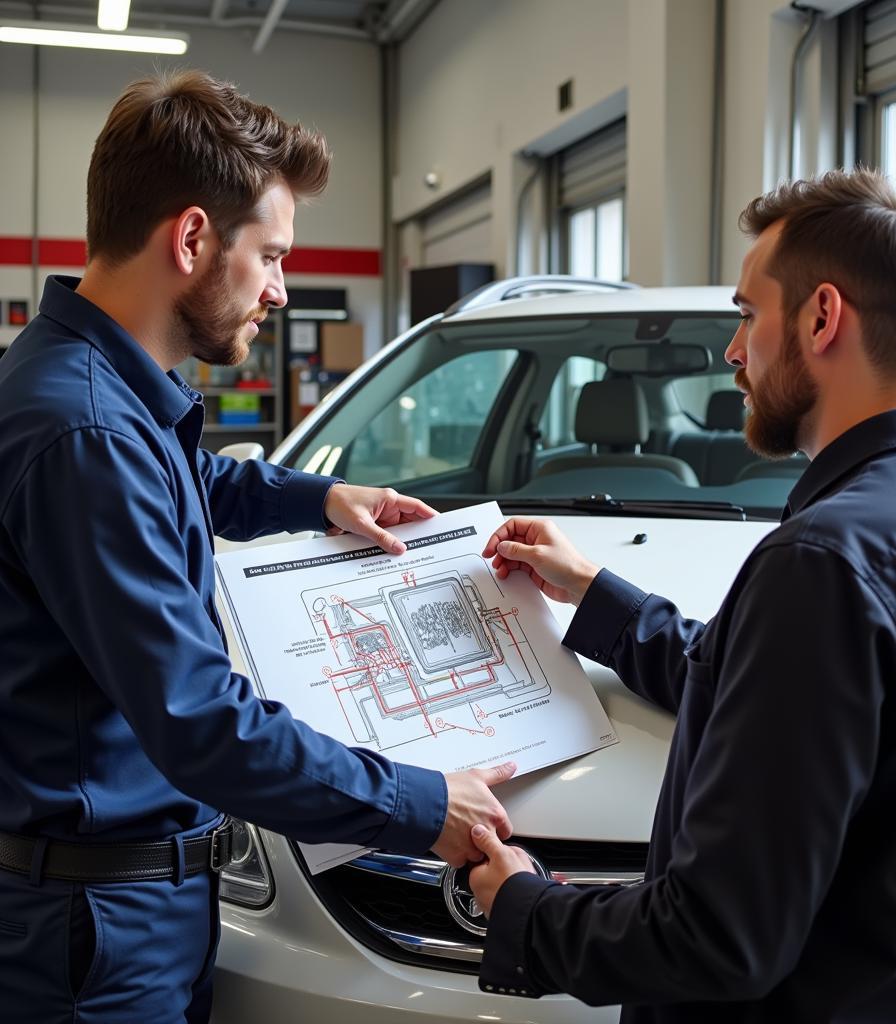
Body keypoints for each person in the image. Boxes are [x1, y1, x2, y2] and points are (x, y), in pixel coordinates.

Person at [0, 70, 513, 1024]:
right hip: (98, 930)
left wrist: (321, 498)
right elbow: (199, 719)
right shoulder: (89, 433)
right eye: (271, 255)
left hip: (130, 903)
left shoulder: (94, 390)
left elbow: (189, 482)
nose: (280, 289)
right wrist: (418, 805)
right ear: (192, 238)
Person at [466, 168, 896, 1022]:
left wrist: (525, 911)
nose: (733, 351)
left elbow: (719, 936)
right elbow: (779, 694)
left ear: (822, 317)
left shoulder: (823, 562)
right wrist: (593, 595)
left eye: (747, 314)